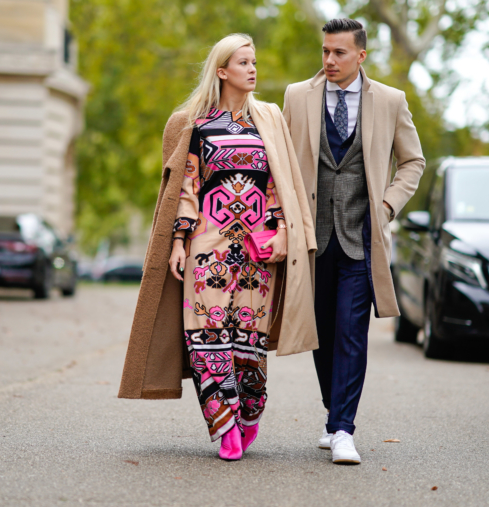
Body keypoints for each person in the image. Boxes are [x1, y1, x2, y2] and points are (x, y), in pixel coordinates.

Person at [119, 33, 318, 461]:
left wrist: (284, 228)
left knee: (248, 339)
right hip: (206, 248)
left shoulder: (268, 120)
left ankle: (249, 413)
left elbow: (280, 183)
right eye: (243, 62)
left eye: (254, 62)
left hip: (258, 252)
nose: (253, 69)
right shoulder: (195, 124)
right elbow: (186, 188)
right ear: (222, 71)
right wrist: (177, 242)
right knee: (206, 338)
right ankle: (223, 425)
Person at [282, 19, 425, 464]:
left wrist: (386, 207)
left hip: (363, 239)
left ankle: (343, 428)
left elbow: (412, 161)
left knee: (351, 334)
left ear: (360, 55)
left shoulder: (389, 100)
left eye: (339, 53)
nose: (329, 60)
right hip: (313, 238)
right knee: (322, 334)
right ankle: (334, 410)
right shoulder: (296, 96)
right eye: (325, 51)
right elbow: (282, 161)